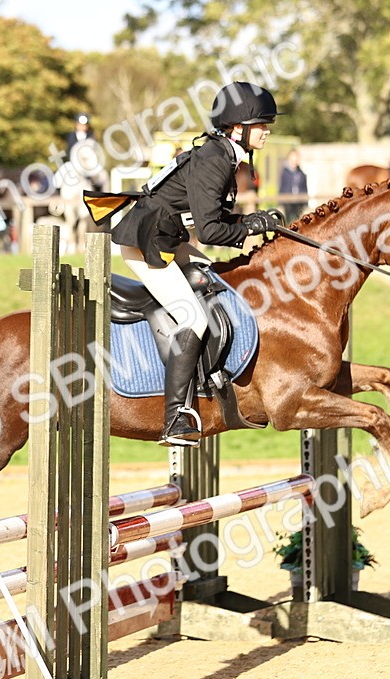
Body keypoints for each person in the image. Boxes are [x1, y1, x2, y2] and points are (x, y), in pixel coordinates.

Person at [85, 81, 283, 447]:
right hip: (148, 244)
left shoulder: (223, 154)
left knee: (215, 281)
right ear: (237, 128)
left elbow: (212, 217)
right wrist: (250, 226)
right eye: (261, 124)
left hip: (168, 238)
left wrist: (251, 220)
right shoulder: (215, 159)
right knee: (193, 318)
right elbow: (209, 231)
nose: (267, 130)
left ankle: (212, 381)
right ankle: (175, 418)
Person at [279, 149, 308, 222]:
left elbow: (304, 189)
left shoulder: (302, 174)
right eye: (292, 160)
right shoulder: (285, 173)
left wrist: (305, 203)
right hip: (287, 203)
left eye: (296, 160)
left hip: (298, 203)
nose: (294, 162)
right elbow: (282, 188)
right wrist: (280, 202)